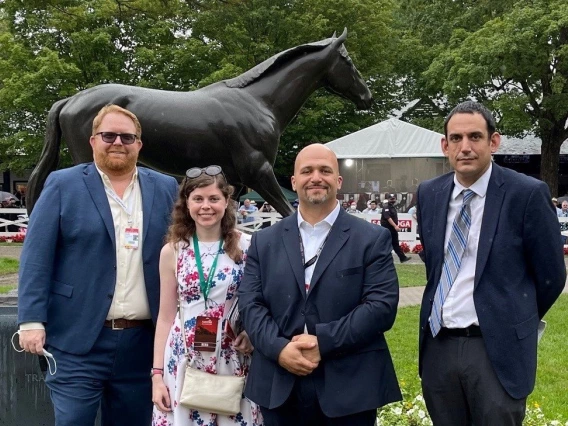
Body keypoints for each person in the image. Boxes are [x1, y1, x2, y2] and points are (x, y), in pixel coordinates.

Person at [17, 104, 179, 425]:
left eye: (127, 137)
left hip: (142, 346)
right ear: (93, 141)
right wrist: (31, 319)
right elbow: (36, 257)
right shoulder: (63, 184)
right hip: (77, 341)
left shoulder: (165, 187)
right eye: (109, 135)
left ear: (139, 145)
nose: (118, 142)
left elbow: (185, 253)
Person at [416, 101, 566, 426]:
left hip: (496, 351)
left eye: (475, 136)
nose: (465, 147)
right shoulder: (429, 193)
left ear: (493, 141)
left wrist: (513, 318)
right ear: (445, 145)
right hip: (439, 347)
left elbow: (552, 276)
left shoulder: (526, 194)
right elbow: (434, 265)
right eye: (456, 138)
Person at [238, 143, 401, 426]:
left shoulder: (371, 239)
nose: (316, 177)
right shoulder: (264, 241)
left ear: (338, 181)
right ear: (294, 181)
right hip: (279, 383)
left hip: (349, 385)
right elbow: (250, 304)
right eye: (307, 171)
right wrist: (279, 349)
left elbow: (381, 307)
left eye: (325, 170)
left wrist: (323, 342)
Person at [151, 165, 263, 426]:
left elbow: (262, 302)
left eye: (214, 199)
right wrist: (157, 375)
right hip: (184, 356)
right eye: (198, 199)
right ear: (186, 204)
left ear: (226, 202)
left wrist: (252, 333)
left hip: (232, 356)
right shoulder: (173, 251)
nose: (206, 206)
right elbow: (165, 316)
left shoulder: (248, 246)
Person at [381, 193, 411, 263]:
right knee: (387, 244)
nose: (392, 200)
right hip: (388, 228)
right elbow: (388, 218)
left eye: (393, 199)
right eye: (391, 199)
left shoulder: (392, 207)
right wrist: (395, 226)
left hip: (392, 229)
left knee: (395, 243)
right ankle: (385, 258)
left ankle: (402, 257)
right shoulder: (386, 207)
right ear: (388, 199)